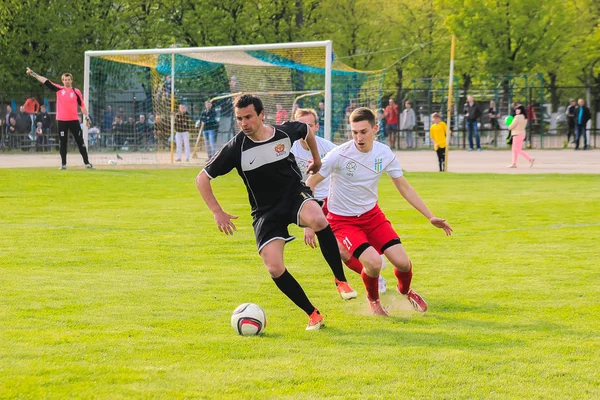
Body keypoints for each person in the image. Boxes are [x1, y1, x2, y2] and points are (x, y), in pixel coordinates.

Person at [196, 94, 357, 331]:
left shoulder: (284, 132)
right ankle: (313, 314)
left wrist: (316, 160)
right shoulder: (236, 147)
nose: (244, 123)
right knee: (274, 267)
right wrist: (216, 211)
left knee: (317, 218)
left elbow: (306, 131)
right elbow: (202, 178)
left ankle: (340, 280)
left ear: (261, 115)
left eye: (249, 117)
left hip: (294, 196)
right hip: (265, 212)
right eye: (240, 118)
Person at [306, 107, 452, 316]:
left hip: (372, 216)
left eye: (364, 131)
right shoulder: (338, 155)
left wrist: (430, 216)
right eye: (354, 132)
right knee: (373, 263)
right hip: (343, 221)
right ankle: (373, 301)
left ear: (375, 129)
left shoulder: (384, 153)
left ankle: (405, 291)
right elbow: (310, 183)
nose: (358, 137)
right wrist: (309, 223)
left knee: (402, 263)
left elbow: (404, 187)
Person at [291, 108, 388, 293]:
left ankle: (375, 274)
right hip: (308, 202)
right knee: (341, 252)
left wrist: (310, 225)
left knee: (341, 249)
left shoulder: (328, 148)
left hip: (331, 202)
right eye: (300, 126)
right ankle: (372, 267)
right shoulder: (288, 149)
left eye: (309, 126)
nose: (304, 130)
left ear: (317, 127)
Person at [26, 68, 94, 169]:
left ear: (71, 80)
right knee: (63, 143)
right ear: (62, 81)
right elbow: (46, 81)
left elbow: (82, 105)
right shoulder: (59, 89)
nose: (67, 81)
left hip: (74, 120)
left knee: (80, 141)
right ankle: (63, 165)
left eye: (69, 79)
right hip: (62, 121)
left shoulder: (76, 91)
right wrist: (33, 74)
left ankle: (87, 163)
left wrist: (87, 117)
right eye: (65, 79)